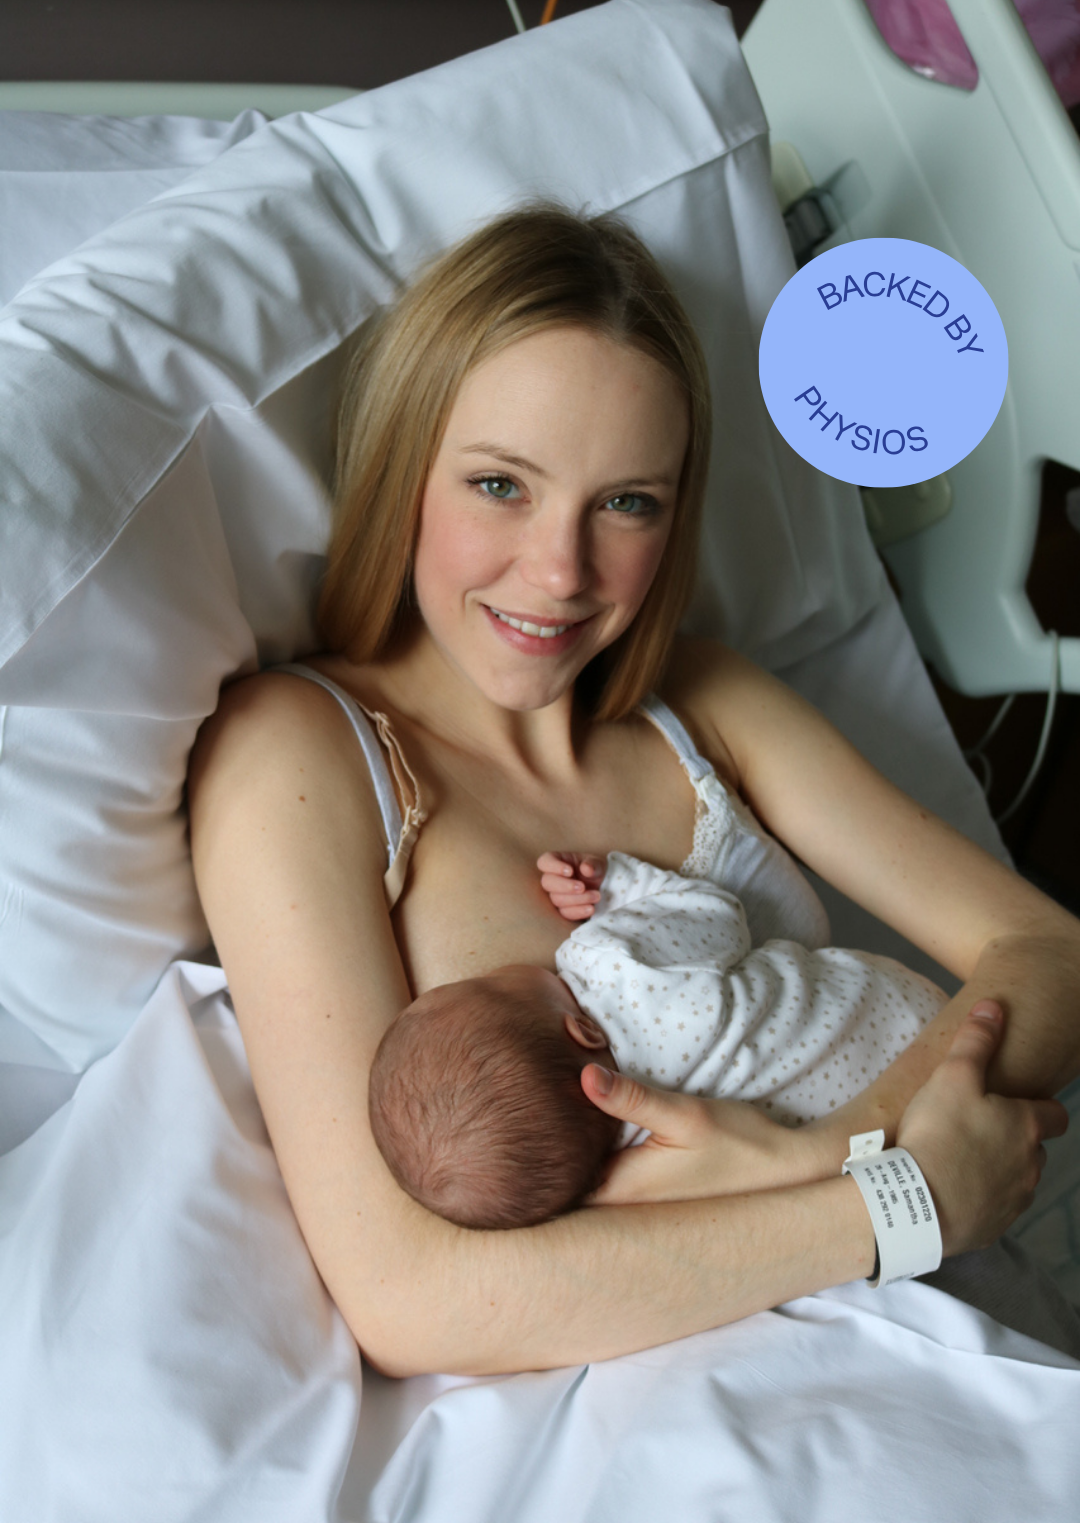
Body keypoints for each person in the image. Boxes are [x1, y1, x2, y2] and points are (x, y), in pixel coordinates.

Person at [187, 203, 1076, 1379]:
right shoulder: (300, 756)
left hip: (933, 1327)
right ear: (404, 467)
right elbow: (410, 1296)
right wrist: (887, 1198)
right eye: (501, 484)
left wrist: (806, 1156)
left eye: (627, 502)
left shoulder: (699, 702)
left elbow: (1046, 947)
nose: (559, 571)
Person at [368, 848, 947, 1230]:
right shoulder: (608, 964)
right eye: (490, 983)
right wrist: (618, 885)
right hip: (909, 1012)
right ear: (583, 1029)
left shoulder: (641, 1159)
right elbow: (716, 913)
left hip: (900, 1156)